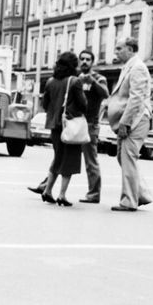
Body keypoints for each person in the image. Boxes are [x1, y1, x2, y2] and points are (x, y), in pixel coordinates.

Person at [28, 49, 109, 203]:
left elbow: (106, 94)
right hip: (72, 123)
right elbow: (81, 103)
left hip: (86, 124)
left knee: (86, 160)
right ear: (77, 62)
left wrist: (93, 82)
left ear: (93, 62)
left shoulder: (99, 78)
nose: (84, 62)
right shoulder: (74, 79)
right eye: (82, 59)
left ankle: (92, 192)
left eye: (88, 59)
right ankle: (54, 191)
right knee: (67, 158)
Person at [106, 37, 153, 212]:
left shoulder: (138, 67)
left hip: (136, 120)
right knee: (123, 157)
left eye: (119, 49)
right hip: (130, 121)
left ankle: (129, 200)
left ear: (131, 49)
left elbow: (136, 98)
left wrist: (125, 123)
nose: (116, 52)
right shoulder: (129, 67)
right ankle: (140, 194)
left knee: (128, 158)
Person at [40, 51, 88, 207]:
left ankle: (47, 191)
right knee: (70, 160)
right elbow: (83, 104)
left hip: (54, 125)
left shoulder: (50, 81)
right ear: (73, 65)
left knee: (58, 157)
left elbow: (45, 104)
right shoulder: (75, 81)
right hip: (69, 125)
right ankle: (62, 195)